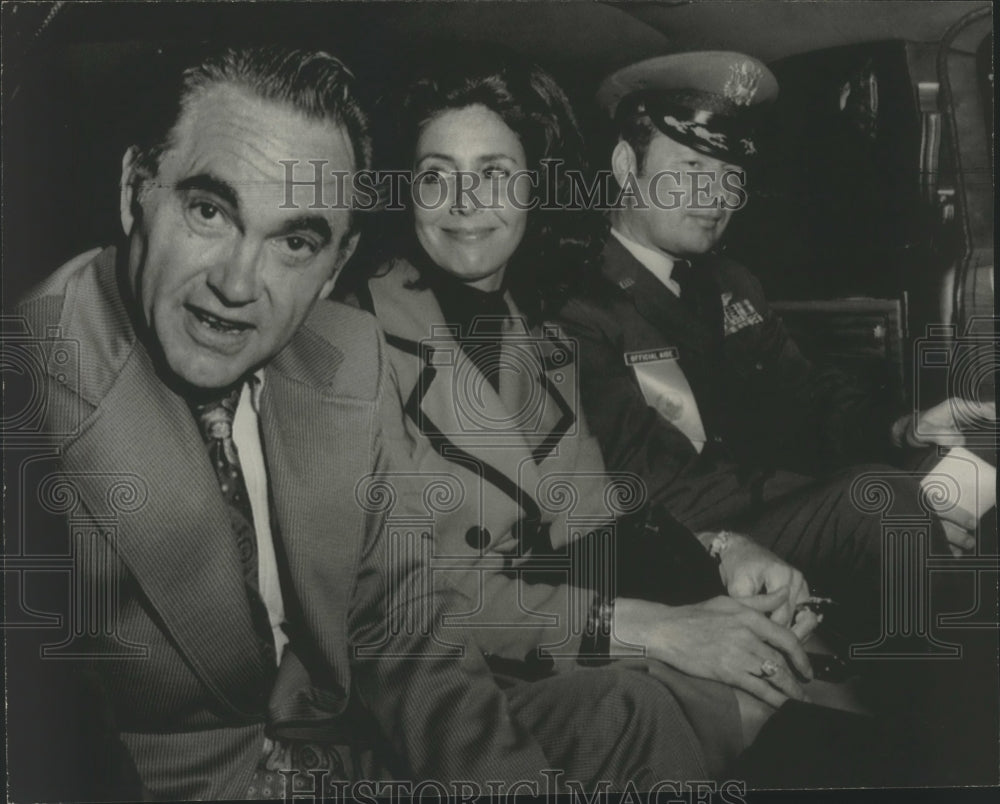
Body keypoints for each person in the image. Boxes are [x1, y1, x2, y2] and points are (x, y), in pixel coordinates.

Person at [4, 44, 695, 801]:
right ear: (136, 188)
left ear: (335, 263)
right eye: (208, 210)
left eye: (295, 242)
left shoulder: (345, 349)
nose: (238, 284)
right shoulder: (29, 393)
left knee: (642, 720)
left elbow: (406, 628)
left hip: (350, 747)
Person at [342, 47, 906, 786]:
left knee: (805, 701)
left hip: (536, 634)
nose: (464, 203)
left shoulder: (533, 340)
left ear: (535, 187)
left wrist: (724, 553)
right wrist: (652, 628)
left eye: (493, 175)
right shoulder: (352, 340)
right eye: (435, 176)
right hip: (429, 678)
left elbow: (594, 524)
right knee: (651, 713)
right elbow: (403, 607)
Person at [554, 51, 997, 783]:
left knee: (972, 468)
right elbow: (648, 484)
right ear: (624, 165)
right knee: (877, 503)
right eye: (693, 170)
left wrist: (907, 431)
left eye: (731, 176)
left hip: (759, 509)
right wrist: (865, 486)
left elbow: (810, 392)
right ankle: (965, 754)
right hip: (671, 542)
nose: (718, 194)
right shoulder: (576, 302)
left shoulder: (730, 283)